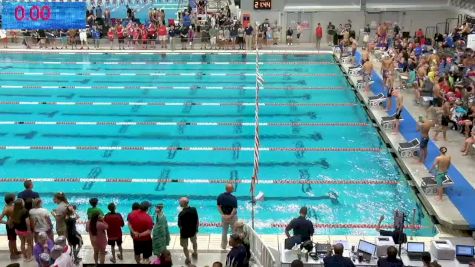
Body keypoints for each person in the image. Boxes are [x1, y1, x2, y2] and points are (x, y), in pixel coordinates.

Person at [178, 197, 199, 265]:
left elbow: (179, 225)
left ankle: (188, 258)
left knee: (185, 246)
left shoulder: (181, 214)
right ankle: (195, 252)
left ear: (183, 203)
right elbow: (197, 220)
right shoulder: (194, 209)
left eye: (180, 202)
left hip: (184, 233)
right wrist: (196, 229)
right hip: (193, 231)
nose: (179, 203)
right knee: (194, 242)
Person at [0, 193, 21, 260]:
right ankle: (12, 254)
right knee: (11, 240)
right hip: (10, 227)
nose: (16, 198)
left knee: (14, 239)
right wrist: (6, 222)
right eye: (14, 198)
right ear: (11, 200)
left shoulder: (12, 206)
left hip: (14, 225)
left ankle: (15, 251)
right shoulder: (6, 208)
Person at [217, 184, 238, 250]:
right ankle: (234, 245)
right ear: (230, 189)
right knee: (234, 232)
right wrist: (230, 216)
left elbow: (218, 207)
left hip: (224, 217)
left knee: (224, 231)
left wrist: (223, 215)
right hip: (233, 217)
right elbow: (234, 209)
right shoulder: (233, 198)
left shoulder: (220, 196)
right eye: (232, 188)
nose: (233, 189)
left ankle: (223, 246)